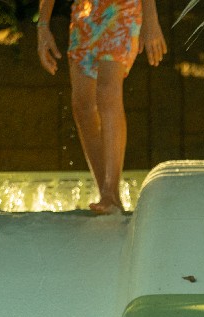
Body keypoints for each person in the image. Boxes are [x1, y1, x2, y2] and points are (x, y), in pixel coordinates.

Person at [36, 0, 167, 214]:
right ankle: (109, 196)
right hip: (85, 14)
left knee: (107, 92)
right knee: (82, 106)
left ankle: (110, 193)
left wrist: (151, 20)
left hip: (123, 9)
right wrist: (43, 27)